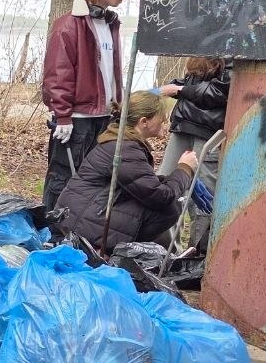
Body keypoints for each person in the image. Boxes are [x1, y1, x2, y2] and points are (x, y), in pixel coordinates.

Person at [40, 0, 135, 212]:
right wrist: (62, 116)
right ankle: (51, 228)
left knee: (94, 178)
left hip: (104, 116)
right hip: (76, 118)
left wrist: (118, 102)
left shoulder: (110, 23)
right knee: (63, 176)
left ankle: (80, 229)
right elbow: (57, 74)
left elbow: (109, 72)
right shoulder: (69, 25)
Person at [55, 90, 197, 252]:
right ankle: (114, 251)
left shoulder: (121, 140)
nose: (165, 123)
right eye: (162, 120)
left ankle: (142, 251)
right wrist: (185, 169)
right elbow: (160, 197)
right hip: (83, 228)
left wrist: (174, 178)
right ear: (144, 121)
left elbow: (141, 183)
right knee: (169, 207)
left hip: (77, 218)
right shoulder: (126, 148)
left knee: (160, 201)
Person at [158, 57, 230, 254]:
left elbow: (220, 92)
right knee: (165, 184)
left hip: (208, 132)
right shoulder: (203, 41)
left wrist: (180, 90)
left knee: (202, 197)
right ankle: (164, 248)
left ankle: (194, 252)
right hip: (183, 126)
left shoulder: (233, 49)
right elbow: (194, 82)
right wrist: (170, 87)